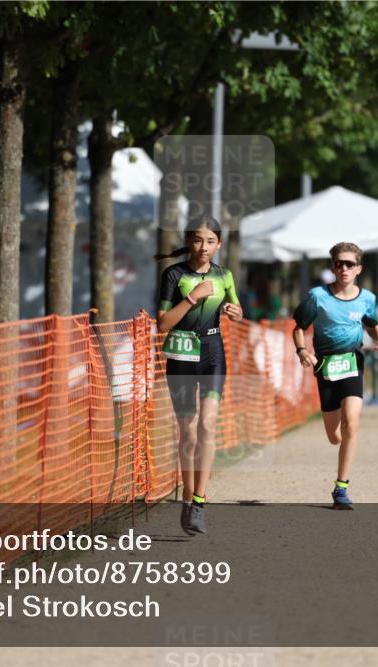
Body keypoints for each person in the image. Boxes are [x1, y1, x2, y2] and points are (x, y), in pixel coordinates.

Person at [156, 214, 243, 535]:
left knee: (207, 425)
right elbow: (162, 324)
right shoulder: (174, 274)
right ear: (188, 241)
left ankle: (199, 502)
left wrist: (235, 311)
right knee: (188, 433)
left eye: (210, 241)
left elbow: (237, 308)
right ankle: (188, 496)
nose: (203, 247)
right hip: (180, 353)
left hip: (212, 353)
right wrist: (193, 297)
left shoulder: (225, 275)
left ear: (219, 244)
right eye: (197, 240)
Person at [292, 242, 378, 509]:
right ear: (333, 266)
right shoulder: (317, 296)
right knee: (335, 435)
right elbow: (298, 327)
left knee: (351, 424)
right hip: (325, 366)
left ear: (358, 268)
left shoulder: (367, 298)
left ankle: (341, 488)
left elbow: (371, 324)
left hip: (353, 362)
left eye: (349, 264)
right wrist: (302, 350)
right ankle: (339, 449)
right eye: (339, 263)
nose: (343, 268)